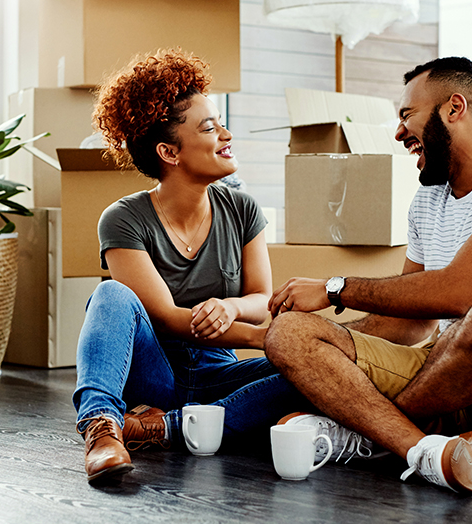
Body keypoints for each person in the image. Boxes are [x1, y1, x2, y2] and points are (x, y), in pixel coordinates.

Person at [264, 56, 472, 493]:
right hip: (448, 381)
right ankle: (425, 451)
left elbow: (462, 294)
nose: (399, 132)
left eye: (406, 115)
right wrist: (326, 344)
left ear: (454, 108)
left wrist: (335, 289)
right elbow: (408, 323)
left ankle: (371, 436)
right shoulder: (428, 202)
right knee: (289, 334)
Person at [73, 49, 308, 484]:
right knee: (109, 294)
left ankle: (162, 427)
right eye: (210, 127)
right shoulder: (123, 218)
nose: (226, 134)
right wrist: (264, 338)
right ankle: (102, 427)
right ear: (169, 151)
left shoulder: (242, 209)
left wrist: (235, 309)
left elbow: (261, 299)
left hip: (220, 371)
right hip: (153, 372)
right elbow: (166, 318)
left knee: (315, 370)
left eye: (220, 122)